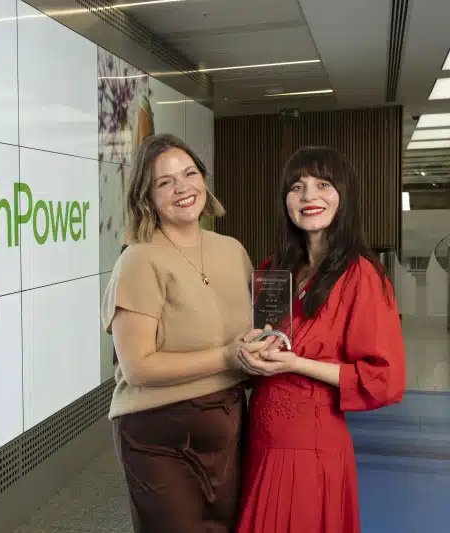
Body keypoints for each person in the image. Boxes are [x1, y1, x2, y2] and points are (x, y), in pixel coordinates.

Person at [101, 133, 273, 533]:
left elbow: (251, 334)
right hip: (157, 434)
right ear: (147, 196)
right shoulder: (139, 260)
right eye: (165, 182)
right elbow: (138, 367)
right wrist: (227, 357)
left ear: (204, 180)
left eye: (190, 173)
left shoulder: (232, 250)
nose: (182, 187)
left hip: (228, 421)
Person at [235, 146, 407, 533]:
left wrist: (296, 363)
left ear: (343, 196)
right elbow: (265, 342)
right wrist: (248, 352)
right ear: (286, 201)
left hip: (310, 446)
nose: (309, 196)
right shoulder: (275, 267)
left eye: (322, 184)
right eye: (297, 186)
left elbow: (384, 377)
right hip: (260, 435)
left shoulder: (362, 276)